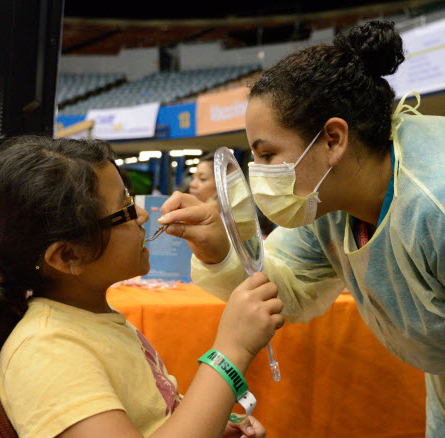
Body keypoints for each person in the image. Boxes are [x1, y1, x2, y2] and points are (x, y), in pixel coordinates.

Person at [157, 21, 444, 437]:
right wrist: (222, 249)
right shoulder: (327, 205)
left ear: (332, 140)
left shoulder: (434, 206)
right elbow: (286, 292)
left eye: (268, 154)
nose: (259, 174)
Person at [0, 136, 285, 438]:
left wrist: (208, 424)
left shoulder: (87, 319)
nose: (142, 214)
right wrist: (230, 353)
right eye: (124, 209)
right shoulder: (47, 352)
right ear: (68, 256)